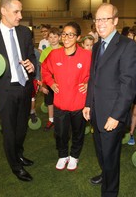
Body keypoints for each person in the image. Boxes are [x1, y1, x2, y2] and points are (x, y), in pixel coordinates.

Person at [0, 0, 36, 182]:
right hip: (4, 91)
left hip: (24, 88)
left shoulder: (25, 33)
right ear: (3, 11)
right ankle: (15, 166)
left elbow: (31, 57)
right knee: (9, 132)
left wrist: (32, 66)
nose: (20, 15)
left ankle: (18, 154)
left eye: (21, 11)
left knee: (21, 130)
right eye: (16, 11)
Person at [82, 3, 136, 197]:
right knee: (100, 151)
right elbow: (93, 77)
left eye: (105, 19)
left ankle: (110, 191)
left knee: (111, 156)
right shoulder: (97, 46)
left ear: (115, 21)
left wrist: (116, 115)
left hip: (113, 113)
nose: (100, 23)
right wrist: (88, 103)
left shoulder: (127, 45)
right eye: (97, 19)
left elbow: (128, 85)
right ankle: (105, 175)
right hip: (96, 110)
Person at [42, 22, 91, 171]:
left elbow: (97, 74)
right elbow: (44, 70)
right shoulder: (54, 54)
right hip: (60, 103)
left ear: (78, 37)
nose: (66, 37)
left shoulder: (87, 55)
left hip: (79, 103)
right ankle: (63, 155)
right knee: (60, 133)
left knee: (78, 132)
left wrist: (89, 84)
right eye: (64, 34)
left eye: (71, 34)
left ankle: (74, 156)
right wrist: (51, 83)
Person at [40, 27, 62, 131]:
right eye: (50, 37)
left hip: (62, 81)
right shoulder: (45, 51)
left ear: (60, 38)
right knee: (50, 101)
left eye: (55, 37)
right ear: (48, 39)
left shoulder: (64, 49)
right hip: (49, 82)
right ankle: (51, 120)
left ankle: (60, 119)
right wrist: (43, 84)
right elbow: (42, 69)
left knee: (61, 101)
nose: (53, 39)